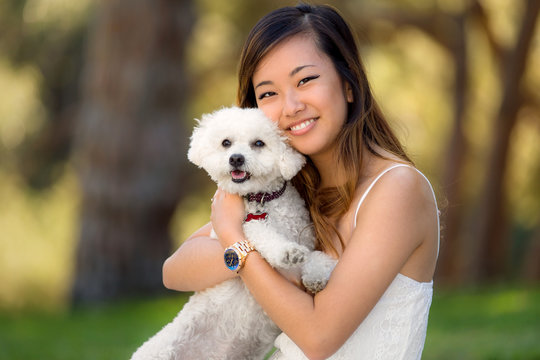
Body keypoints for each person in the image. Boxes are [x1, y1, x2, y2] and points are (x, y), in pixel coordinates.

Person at [163, 3, 440, 359]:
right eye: (268, 93)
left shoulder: (397, 189)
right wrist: (252, 250)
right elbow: (175, 271)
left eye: (305, 80)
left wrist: (237, 240)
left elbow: (319, 337)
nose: (290, 106)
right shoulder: (287, 191)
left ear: (349, 83)